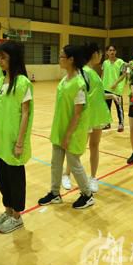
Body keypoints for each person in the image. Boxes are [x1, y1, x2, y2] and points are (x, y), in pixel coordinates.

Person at [38, 44, 94, 209]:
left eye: (62, 56)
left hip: (73, 131)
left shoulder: (79, 83)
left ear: (71, 60)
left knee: (74, 164)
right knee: (56, 163)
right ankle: (55, 193)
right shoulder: (64, 80)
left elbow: (77, 114)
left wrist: (68, 135)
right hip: (60, 128)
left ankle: (87, 195)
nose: (59, 59)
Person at [0, 41, 33, 234]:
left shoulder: (23, 83)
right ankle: (7, 210)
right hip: (0, 141)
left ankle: (16, 216)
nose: (0, 61)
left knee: (15, 180)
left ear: (13, 58)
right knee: (2, 178)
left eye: (3, 57)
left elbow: (25, 114)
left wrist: (20, 142)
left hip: (14, 141)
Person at [62, 43, 116, 193]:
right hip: (86, 116)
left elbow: (96, 94)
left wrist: (110, 96)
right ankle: (66, 174)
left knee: (94, 146)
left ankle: (93, 177)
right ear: (94, 54)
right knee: (77, 148)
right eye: (100, 53)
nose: (102, 56)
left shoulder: (93, 72)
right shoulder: (84, 72)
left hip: (97, 116)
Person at [101, 45, 126, 132]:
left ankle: (121, 124)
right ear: (107, 52)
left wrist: (116, 83)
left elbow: (124, 74)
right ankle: (107, 123)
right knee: (106, 107)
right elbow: (103, 74)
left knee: (119, 107)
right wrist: (101, 84)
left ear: (116, 51)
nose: (112, 52)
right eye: (110, 50)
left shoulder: (120, 62)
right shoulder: (105, 63)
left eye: (113, 50)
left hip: (116, 89)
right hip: (106, 88)